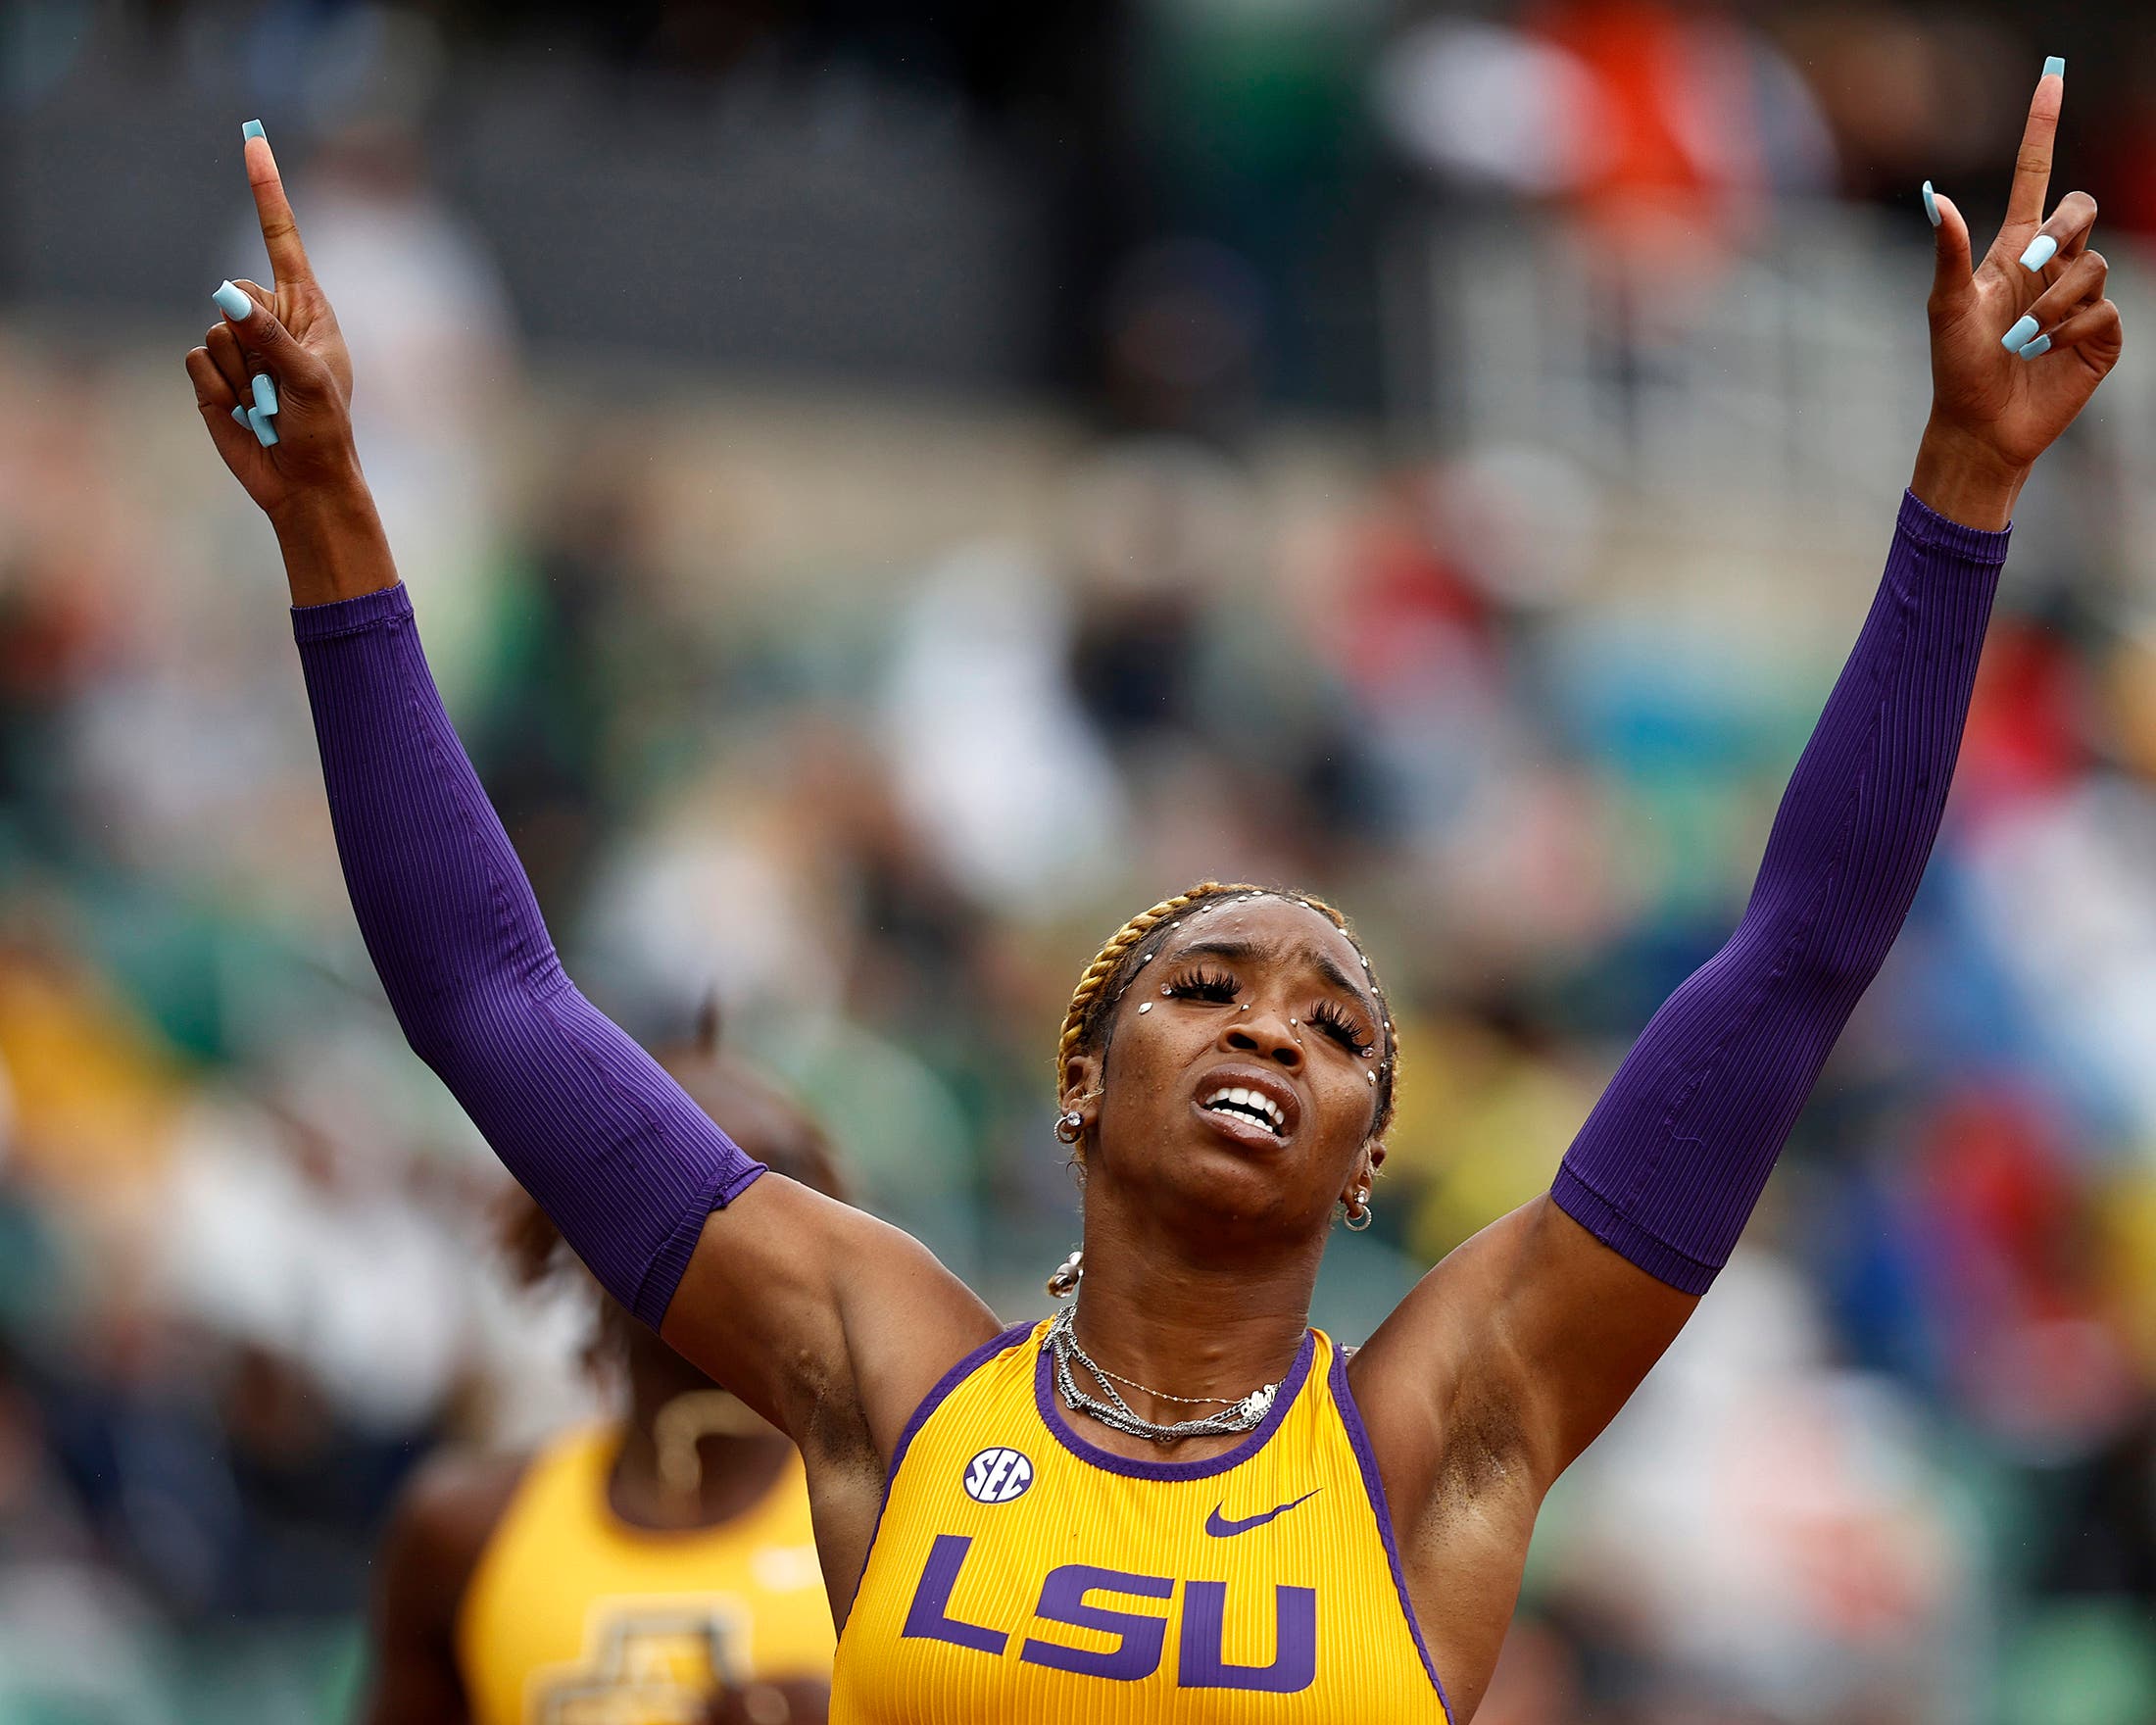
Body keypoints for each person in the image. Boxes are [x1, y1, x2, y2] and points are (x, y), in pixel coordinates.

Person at [185, 63, 2120, 1723]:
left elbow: (1792, 962)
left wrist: (1958, 492)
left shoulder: (1446, 1419)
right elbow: (488, 999)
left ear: (1370, 1154)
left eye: (1336, 1021)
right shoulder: (890, 1373)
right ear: (1077, 1085)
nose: (1274, 1016)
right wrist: (336, 525)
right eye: (1202, 989)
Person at [358, 1003, 843, 1725]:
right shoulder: (463, 1533)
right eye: (668, 1185)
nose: (733, 1230)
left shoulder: (905, 1525)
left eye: (774, 1184)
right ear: (582, 1234)